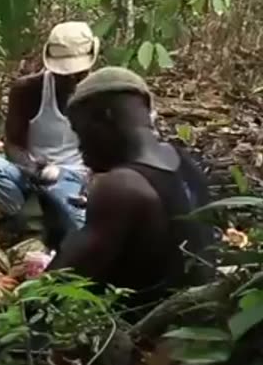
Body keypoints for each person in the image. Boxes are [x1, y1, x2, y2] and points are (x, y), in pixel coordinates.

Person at [49, 66, 214, 313]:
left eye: (80, 131)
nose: (80, 147)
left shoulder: (120, 186)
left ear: (105, 117)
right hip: (198, 324)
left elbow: (57, 285)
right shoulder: (184, 161)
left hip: (145, 335)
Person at [0, 22, 100, 239]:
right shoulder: (28, 90)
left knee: (81, 232)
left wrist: (92, 184)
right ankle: (31, 220)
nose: (70, 80)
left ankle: (47, 221)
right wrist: (35, 170)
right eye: (62, 74)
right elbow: (13, 144)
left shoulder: (102, 94)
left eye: (77, 74)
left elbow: (110, 151)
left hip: (76, 180)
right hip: (34, 173)